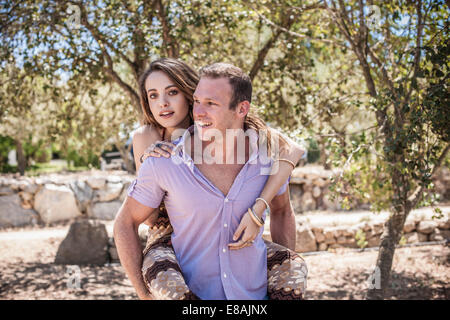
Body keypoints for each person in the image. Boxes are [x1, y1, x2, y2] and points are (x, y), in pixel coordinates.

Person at [114, 59, 308, 300]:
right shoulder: (154, 146)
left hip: (244, 278)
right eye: (152, 96)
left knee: (293, 267)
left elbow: (290, 154)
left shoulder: (260, 147)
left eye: (172, 92)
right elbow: (144, 219)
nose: (162, 103)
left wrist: (258, 210)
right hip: (165, 240)